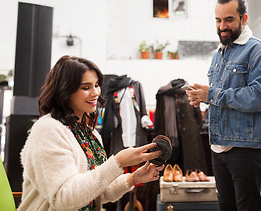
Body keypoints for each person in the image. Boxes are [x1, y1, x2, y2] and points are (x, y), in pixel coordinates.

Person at [18, 55, 163, 211]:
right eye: (86, 87)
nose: (95, 93)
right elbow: (63, 198)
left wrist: (134, 178)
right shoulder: (48, 130)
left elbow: (98, 190)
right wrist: (118, 163)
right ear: (65, 90)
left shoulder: (89, 133)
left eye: (97, 85)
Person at [186, 0, 261, 211]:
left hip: (245, 149)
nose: (222, 26)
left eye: (228, 20)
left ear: (244, 19)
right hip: (218, 147)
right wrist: (202, 97)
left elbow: (260, 96)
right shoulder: (220, 53)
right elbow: (224, 96)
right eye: (218, 20)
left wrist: (212, 94)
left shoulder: (259, 52)